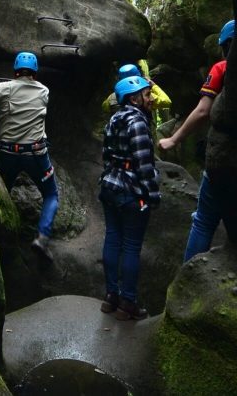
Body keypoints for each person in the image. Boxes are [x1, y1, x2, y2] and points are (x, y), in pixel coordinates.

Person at [0, 52, 59, 260]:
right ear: (34, 72)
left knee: (2, 192)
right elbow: (26, 111)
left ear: (15, 71)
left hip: (9, 153)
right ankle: (42, 238)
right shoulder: (44, 91)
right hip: (36, 154)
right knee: (51, 194)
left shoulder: (3, 88)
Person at [158, 19, 235, 261]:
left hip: (224, 157)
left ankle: (188, 273)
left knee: (203, 221)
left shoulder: (222, 68)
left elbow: (203, 111)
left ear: (225, 46)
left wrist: (173, 140)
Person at [98, 75, 161, 320]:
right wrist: (152, 195)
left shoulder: (114, 119)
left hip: (109, 186)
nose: (151, 98)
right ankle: (128, 303)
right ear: (134, 99)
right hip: (130, 191)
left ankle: (111, 296)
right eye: (147, 94)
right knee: (132, 246)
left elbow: (106, 155)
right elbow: (144, 165)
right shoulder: (138, 123)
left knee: (113, 239)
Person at [101, 60, 172, 118]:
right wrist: (154, 85)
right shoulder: (146, 97)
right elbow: (167, 101)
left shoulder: (111, 98)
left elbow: (104, 108)